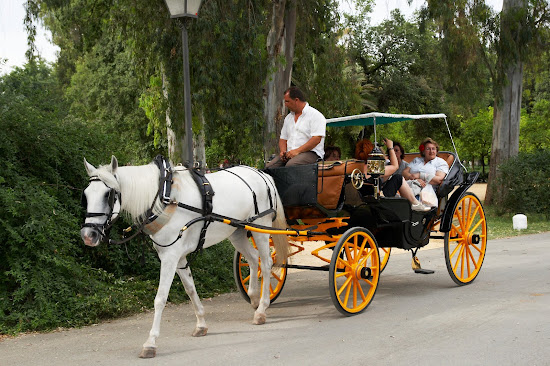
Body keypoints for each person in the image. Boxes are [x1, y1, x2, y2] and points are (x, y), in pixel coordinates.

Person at [361, 138, 430, 212]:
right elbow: (395, 166)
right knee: (398, 178)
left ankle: (414, 203)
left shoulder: (356, 166)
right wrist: (390, 147)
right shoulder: (372, 167)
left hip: (366, 200)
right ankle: (415, 204)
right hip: (378, 201)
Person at [266, 86, 326, 168]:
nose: (285, 104)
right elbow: (283, 138)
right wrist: (283, 152)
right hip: (290, 154)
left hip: (311, 153)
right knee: (269, 168)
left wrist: (297, 151)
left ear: (296, 100)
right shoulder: (288, 118)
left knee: (291, 166)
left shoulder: (315, 115)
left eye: (287, 101)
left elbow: (316, 139)